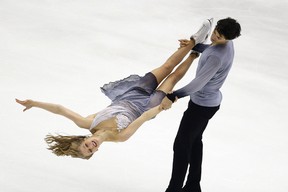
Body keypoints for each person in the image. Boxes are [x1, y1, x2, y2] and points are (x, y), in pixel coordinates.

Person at [16, 19, 213, 160]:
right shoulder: (121, 137)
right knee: (174, 77)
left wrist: (34, 103)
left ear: (85, 139)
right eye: (91, 151)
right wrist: (162, 106)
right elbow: (143, 118)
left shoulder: (88, 123)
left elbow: (60, 109)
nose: (91, 147)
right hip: (147, 107)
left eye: (86, 146)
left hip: (131, 94)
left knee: (167, 67)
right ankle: (194, 54)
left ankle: (195, 39)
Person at [151, 17, 242, 192]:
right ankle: (192, 186)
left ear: (228, 38)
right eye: (216, 32)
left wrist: (175, 95)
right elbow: (212, 48)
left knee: (181, 145)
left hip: (201, 106)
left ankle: (174, 191)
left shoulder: (217, 56)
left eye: (219, 36)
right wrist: (197, 46)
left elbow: (198, 83)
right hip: (209, 103)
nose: (215, 36)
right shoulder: (224, 46)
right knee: (194, 142)